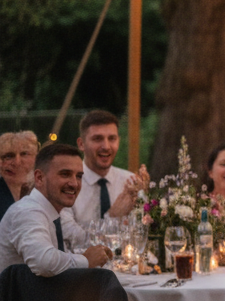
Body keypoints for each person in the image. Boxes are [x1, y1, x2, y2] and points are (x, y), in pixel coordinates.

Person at [0, 143, 112, 275]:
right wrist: (86, 260)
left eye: (79, 176)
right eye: (65, 174)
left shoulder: (50, 212)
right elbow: (44, 263)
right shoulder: (27, 211)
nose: (74, 183)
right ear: (39, 178)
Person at [72, 110, 145, 224]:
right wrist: (112, 217)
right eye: (97, 139)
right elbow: (71, 239)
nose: (106, 146)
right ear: (81, 144)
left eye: (112, 139)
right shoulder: (68, 186)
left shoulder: (130, 182)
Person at [0, 131, 38, 219]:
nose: (17, 162)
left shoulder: (44, 191)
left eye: (24, 154)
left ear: (36, 157)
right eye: (9, 156)